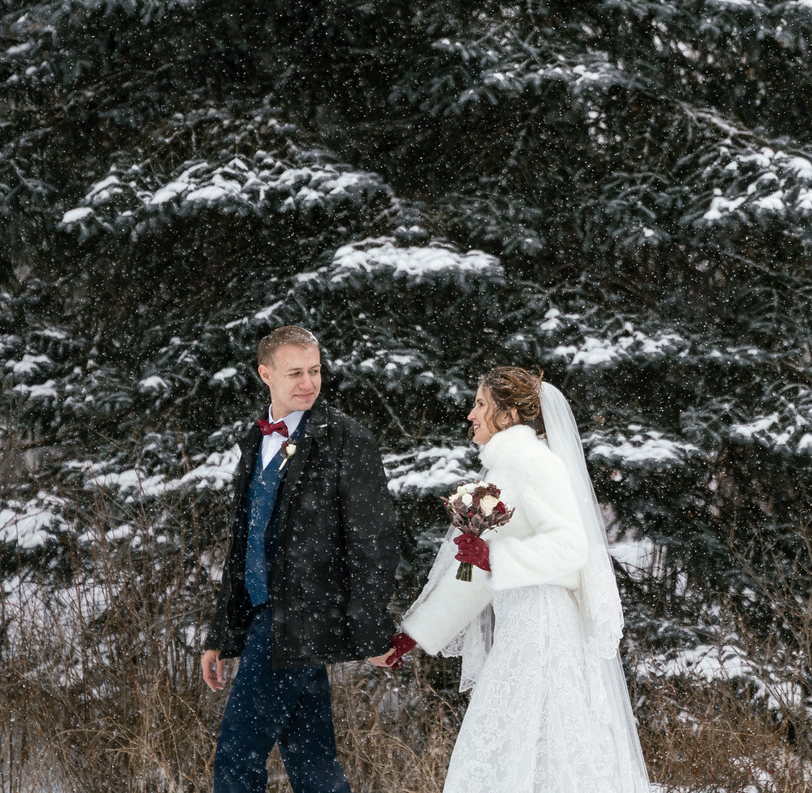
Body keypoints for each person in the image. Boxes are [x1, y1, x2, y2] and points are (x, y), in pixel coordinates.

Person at [374, 367, 651, 793]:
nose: (471, 414)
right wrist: (415, 635)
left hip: (544, 630)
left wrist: (495, 557)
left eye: (481, 404)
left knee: (528, 749)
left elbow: (570, 547)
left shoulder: (535, 464)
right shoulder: (503, 471)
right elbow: (477, 576)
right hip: (520, 629)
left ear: (508, 414)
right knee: (509, 750)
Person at [200, 324, 403, 793]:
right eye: (295, 373)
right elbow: (243, 544)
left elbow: (373, 543)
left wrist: (373, 631)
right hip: (266, 617)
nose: (308, 383)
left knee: (237, 755)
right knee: (313, 763)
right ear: (265, 374)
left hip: (301, 619)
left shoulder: (346, 439)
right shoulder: (255, 439)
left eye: (314, 370)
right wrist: (221, 634)